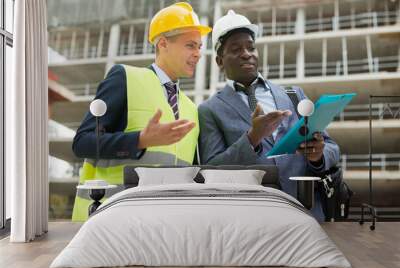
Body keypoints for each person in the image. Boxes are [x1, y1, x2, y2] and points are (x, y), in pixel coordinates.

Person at [71, 2, 212, 221]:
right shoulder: (124, 78)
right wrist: (140, 140)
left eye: (200, 47)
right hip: (111, 218)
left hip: (166, 224)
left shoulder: (191, 110)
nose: (198, 54)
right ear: (163, 44)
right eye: (190, 45)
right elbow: (83, 142)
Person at [198, 10, 340, 221]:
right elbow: (210, 169)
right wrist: (252, 138)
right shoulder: (209, 109)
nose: (247, 54)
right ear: (219, 61)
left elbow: (332, 148)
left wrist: (318, 155)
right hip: (251, 218)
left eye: (251, 47)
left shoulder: (293, 95)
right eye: (236, 49)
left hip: (305, 212)